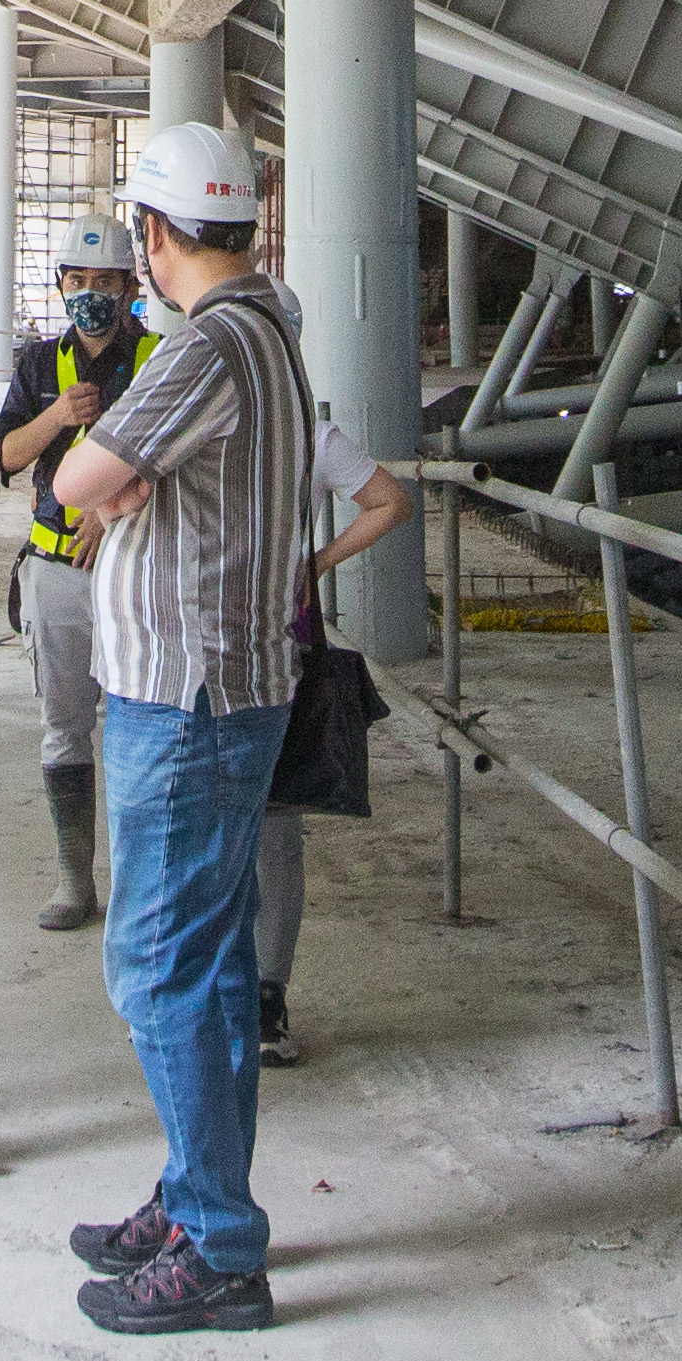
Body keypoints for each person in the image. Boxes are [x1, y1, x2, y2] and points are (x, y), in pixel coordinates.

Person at [46, 119, 311, 1335]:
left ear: (153, 236)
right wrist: (121, 470)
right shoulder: (268, 335)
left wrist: (110, 470)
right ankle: (197, 1195)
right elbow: (119, 476)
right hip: (217, 687)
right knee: (200, 975)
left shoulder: (208, 349)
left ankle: (218, 1240)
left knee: (154, 966)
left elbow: (71, 485)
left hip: (189, 697)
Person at [0, 218, 147, 930]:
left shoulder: (155, 357)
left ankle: (139, 883)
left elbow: (178, 458)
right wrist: (55, 416)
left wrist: (110, 512)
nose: (90, 296)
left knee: (142, 723)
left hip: (137, 565)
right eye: (78, 283)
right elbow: (8, 459)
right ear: (59, 286)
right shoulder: (34, 365)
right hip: (55, 571)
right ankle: (74, 879)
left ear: (129, 288)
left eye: (105, 283)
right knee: (64, 727)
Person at [247, 413, 414, 1069]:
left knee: (257, 825)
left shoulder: (297, 433)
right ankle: (260, 996)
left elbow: (390, 501)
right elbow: (390, 501)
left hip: (255, 648)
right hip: (261, 642)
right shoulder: (306, 432)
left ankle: (247, 994)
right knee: (268, 830)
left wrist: (315, 563)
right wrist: (313, 564)